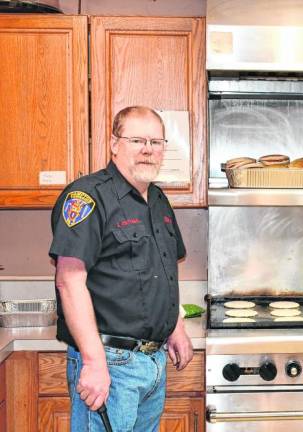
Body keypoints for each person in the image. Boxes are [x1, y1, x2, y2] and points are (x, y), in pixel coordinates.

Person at [49, 106, 194, 431]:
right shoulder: (87, 197)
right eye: (137, 140)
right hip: (110, 363)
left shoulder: (157, 200)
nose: (148, 149)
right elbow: (69, 281)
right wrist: (93, 360)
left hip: (153, 363)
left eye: (156, 142)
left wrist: (176, 326)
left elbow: (164, 270)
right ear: (114, 144)